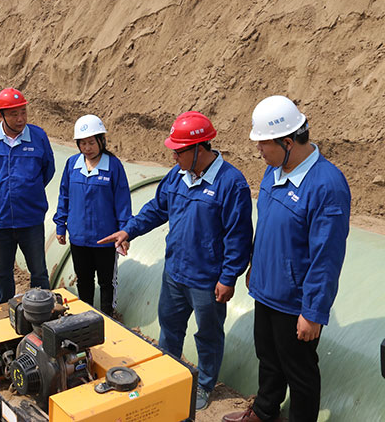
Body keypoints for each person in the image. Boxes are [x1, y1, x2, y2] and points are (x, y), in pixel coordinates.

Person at [98, 111, 253, 411]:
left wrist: (228, 278)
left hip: (207, 280)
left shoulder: (231, 183)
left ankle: (204, 384)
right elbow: (158, 208)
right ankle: (168, 374)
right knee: (169, 329)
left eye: (178, 151)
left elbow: (239, 236)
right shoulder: (177, 175)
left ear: (199, 149)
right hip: (175, 273)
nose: (173, 156)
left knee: (208, 335)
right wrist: (130, 230)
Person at [222, 96, 350, 422]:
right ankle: (264, 411)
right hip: (267, 289)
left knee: (300, 371)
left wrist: (313, 311)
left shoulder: (326, 185)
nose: (258, 150)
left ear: (288, 142)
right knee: (268, 357)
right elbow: (267, 225)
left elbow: (327, 256)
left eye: (264, 144)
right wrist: (255, 265)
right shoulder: (273, 171)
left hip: (295, 300)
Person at [0, 87, 55, 304]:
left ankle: (42, 309)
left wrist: (28, 192)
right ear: (0, 115)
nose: (20, 119)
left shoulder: (38, 137)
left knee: (39, 272)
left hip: (31, 221)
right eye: (14, 114)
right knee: (2, 272)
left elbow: (48, 170)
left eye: (23, 112)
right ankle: (6, 307)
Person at [53, 114, 132, 316]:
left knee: (106, 282)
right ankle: (86, 317)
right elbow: (64, 196)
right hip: (79, 238)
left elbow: (122, 202)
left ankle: (107, 317)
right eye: (83, 143)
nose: (87, 148)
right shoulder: (72, 164)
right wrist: (60, 225)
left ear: (101, 141)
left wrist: (125, 232)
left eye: (91, 142)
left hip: (105, 239)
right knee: (84, 280)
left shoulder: (113, 166)